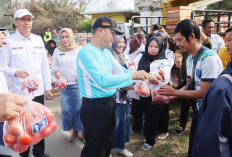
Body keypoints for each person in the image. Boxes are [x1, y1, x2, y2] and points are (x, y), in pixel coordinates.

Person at [76, 16, 148, 157]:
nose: (114, 37)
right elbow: (103, 80)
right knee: (94, 149)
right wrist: (133, 76)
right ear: (100, 31)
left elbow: (121, 72)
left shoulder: (105, 52)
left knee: (107, 144)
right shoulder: (86, 53)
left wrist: (147, 77)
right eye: (112, 32)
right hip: (94, 107)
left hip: (109, 104)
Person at [158, 19, 223, 156]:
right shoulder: (189, 59)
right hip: (199, 112)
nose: (177, 44)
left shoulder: (208, 58)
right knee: (193, 149)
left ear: (192, 36)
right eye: (176, 40)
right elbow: (189, 86)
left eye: (179, 39)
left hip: (213, 115)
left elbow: (204, 93)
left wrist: (175, 91)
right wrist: (169, 96)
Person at [0, 9, 53, 157]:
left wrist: (48, 88)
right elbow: (2, 66)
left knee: (40, 124)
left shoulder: (38, 39)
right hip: (20, 96)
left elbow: (44, 66)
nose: (26, 22)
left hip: (38, 91)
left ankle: (39, 153)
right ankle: (23, 154)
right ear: (16, 22)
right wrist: (15, 71)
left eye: (29, 19)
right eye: (23, 19)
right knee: (22, 128)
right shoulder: (8, 41)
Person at [192, 27, 232, 157]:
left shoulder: (209, 58)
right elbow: (215, 145)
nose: (226, 44)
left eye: (229, 40)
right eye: (226, 40)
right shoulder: (222, 89)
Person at [130, 36, 173, 150]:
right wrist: (131, 68)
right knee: (135, 111)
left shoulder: (164, 61)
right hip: (138, 91)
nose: (153, 49)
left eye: (156, 46)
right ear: (147, 45)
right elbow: (133, 68)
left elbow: (166, 78)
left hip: (152, 94)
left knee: (151, 117)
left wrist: (161, 75)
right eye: (151, 46)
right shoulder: (140, 56)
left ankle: (150, 140)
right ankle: (136, 127)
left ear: (160, 48)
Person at [51, 28, 83, 142]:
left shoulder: (79, 49)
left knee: (80, 110)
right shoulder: (57, 50)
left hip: (77, 85)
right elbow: (53, 66)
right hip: (64, 86)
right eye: (62, 37)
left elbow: (84, 65)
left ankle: (84, 133)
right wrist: (56, 72)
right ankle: (74, 132)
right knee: (68, 110)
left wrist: (80, 74)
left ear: (72, 37)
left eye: (67, 36)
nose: (65, 39)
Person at [108, 35, 133, 157]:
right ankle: (108, 149)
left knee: (124, 122)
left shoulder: (126, 57)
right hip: (113, 96)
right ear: (113, 43)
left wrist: (132, 68)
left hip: (125, 96)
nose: (121, 45)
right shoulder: (109, 57)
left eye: (124, 42)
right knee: (112, 124)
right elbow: (108, 78)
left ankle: (120, 147)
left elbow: (130, 74)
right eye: (119, 42)